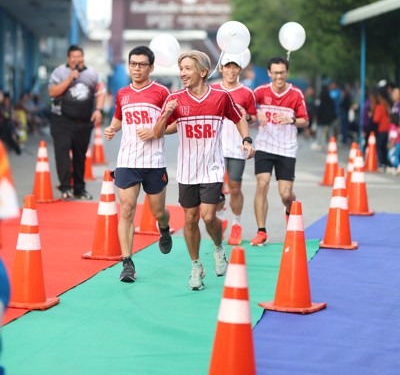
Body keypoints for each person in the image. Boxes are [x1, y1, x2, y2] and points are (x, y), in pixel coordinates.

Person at [153, 50, 254, 291]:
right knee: (190, 219)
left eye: (188, 68)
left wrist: (246, 140)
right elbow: (157, 133)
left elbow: (238, 118)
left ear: (203, 71)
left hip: (213, 168)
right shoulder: (175, 99)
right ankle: (196, 266)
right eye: (181, 69)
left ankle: (218, 248)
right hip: (187, 170)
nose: (182, 73)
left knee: (208, 216)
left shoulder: (220, 97)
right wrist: (166, 114)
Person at [104, 46, 173, 283]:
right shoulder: (122, 93)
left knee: (158, 212)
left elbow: (174, 124)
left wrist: (155, 132)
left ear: (151, 67)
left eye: (142, 64)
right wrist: (112, 128)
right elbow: (118, 118)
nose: (137, 68)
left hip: (154, 161)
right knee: (126, 208)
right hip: (127, 161)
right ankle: (127, 263)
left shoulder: (162, 92)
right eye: (133, 64)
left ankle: (164, 227)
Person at [251, 55, 309, 246]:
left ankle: (289, 210)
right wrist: (256, 113)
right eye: (275, 73)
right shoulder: (260, 91)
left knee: (286, 195)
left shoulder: (296, 94)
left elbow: (305, 121)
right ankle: (261, 231)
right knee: (262, 183)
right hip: (265, 145)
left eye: (282, 73)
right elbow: (246, 110)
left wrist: (291, 120)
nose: (279, 77)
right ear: (269, 73)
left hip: (286, 148)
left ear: (287, 72)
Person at [210, 53, 257, 245]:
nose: (231, 70)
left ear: (240, 69)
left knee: (235, 188)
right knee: (216, 189)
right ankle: (221, 218)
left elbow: (253, 118)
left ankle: (236, 224)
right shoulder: (212, 89)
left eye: (235, 67)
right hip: (215, 148)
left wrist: (247, 116)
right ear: (221, 68)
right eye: (227, 66)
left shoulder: (246, 93)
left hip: (237, 147)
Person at [48, 45, 105, 200]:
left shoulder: (92, 73)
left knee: (80, 156)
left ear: (83, 57)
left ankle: (79, 189)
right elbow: (52, 92)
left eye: (79, 56)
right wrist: (70, 79)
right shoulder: (59, 72)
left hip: (84, 122)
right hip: (61, 120)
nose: (76, 60)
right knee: (63, 153)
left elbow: (100, 92)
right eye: (73, 57)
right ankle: (65, 187)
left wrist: (98, 110)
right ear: (69, 58)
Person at [311, 85, 337, 150]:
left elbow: (317, 109)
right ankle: (331, 143)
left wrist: (317, 116)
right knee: (330, 130)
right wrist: (333, 117)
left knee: (320, 130)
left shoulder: (320, 99)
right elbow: (333, 109)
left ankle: (319, 143)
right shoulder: (330, 99)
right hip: (329, 118)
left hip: (321, 118)